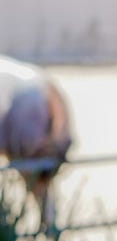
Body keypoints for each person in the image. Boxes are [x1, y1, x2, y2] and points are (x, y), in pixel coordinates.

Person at [0, 52, 74, 227]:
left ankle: (48, 227)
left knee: (38, 181)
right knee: (41, 185)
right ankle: (49, 228)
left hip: (26, 118)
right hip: (35, 110)